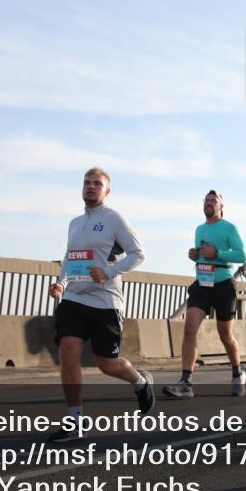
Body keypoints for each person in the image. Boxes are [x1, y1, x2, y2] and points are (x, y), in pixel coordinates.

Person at [46, 167, 152, 443]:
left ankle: (140, 382)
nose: (90, 187)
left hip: (105, 301)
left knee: (107, 364)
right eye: (86, 182)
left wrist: (107, 271)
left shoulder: (114, 219)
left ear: (107, 191)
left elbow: (138, 253)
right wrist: (61, 284)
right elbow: (70, 258)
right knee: (68, 349)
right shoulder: (74, 223)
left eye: (97, 183)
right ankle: (75, 419)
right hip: (74, 299)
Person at [163, 190, 246, 399]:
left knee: (225, 335)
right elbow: (203, 255)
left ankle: (237, 373)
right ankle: (186, 382)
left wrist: (217, 254)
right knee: (189, 329)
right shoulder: (199, 229)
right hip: (202, 284)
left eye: (213, 201)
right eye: (206, 200)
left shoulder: (229, 228)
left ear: (221, 206)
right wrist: (195, 256)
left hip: (223, 285)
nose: (209, 203)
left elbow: (241, 255)